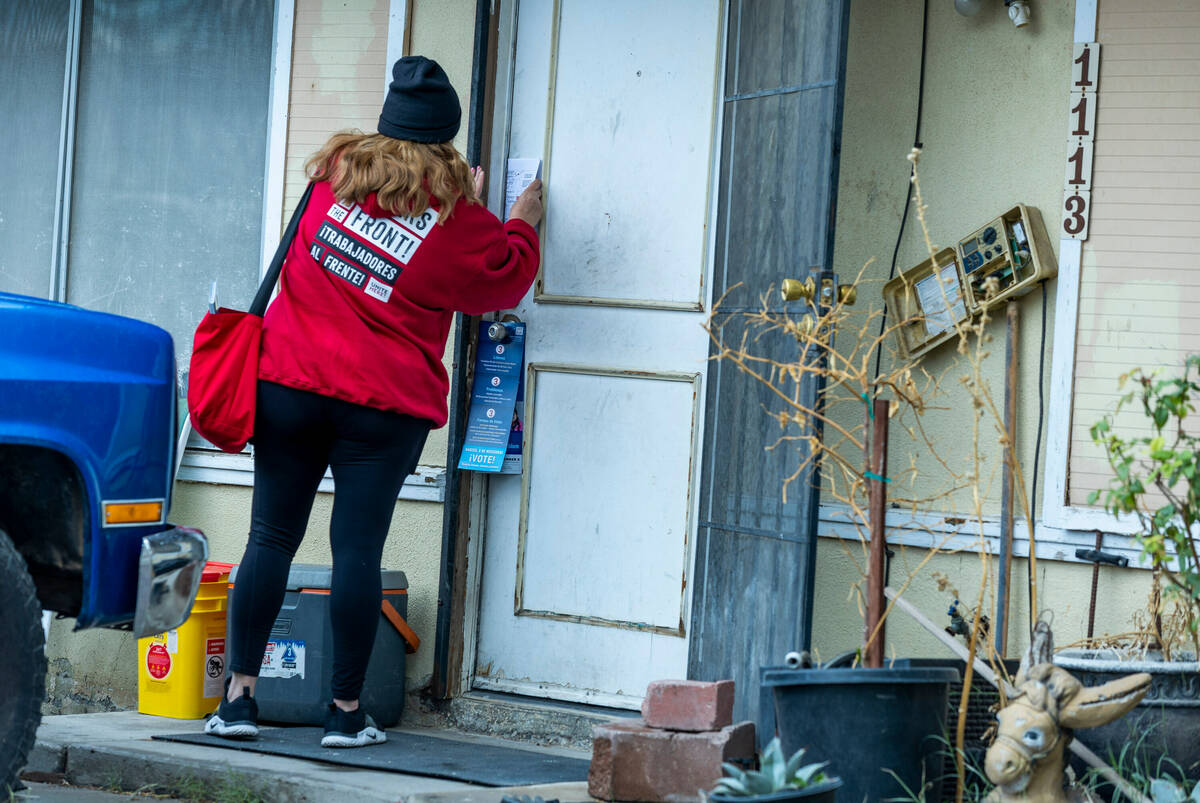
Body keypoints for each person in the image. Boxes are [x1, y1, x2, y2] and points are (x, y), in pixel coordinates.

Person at [204, 56, 543, 748]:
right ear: (446, 139)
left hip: (289, 386)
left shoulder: (334, 178)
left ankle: (237, 701)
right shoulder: (456, 218)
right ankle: (345, 712)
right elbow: (501, 280)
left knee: (269, 536)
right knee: (356, 549)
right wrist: (519, 220)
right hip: (382, 407)